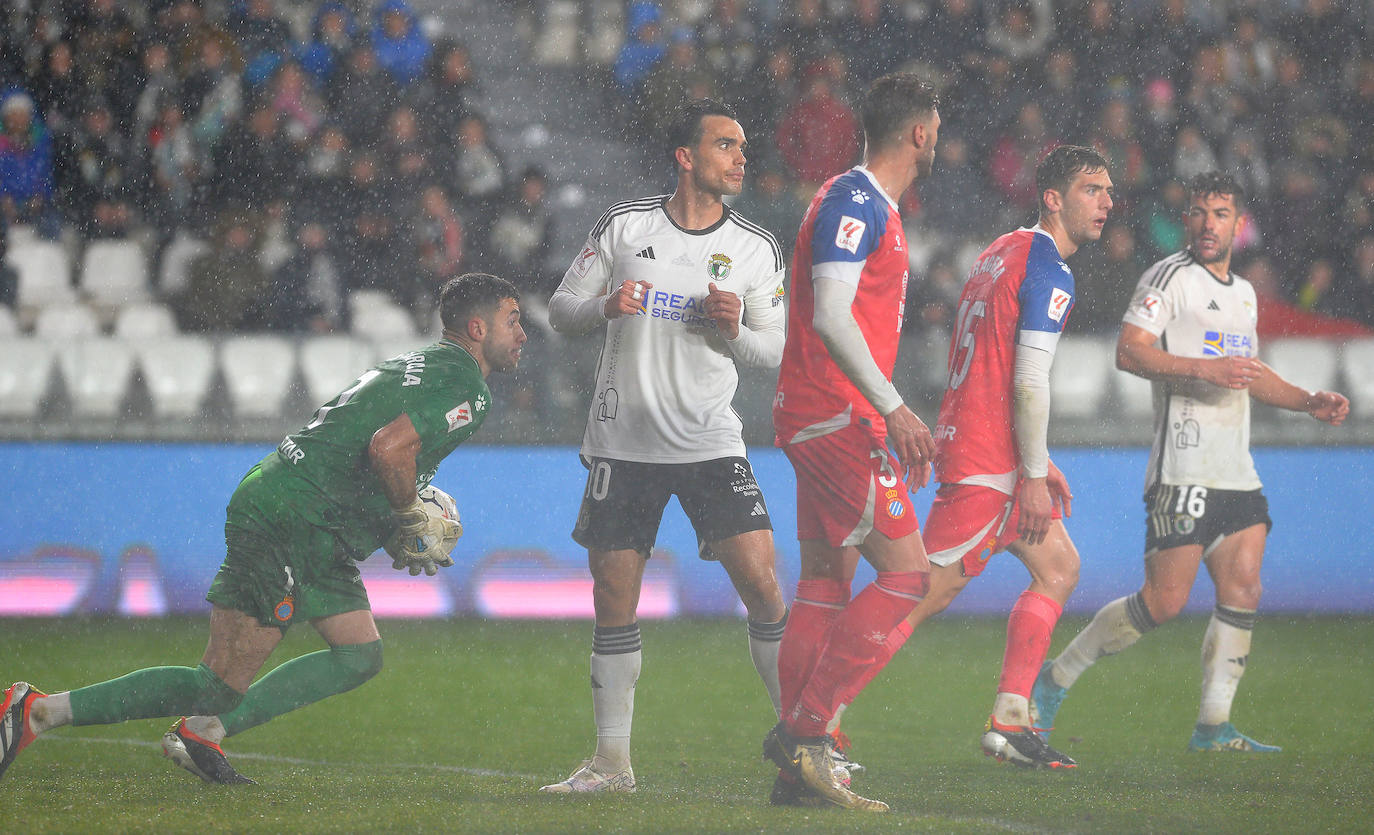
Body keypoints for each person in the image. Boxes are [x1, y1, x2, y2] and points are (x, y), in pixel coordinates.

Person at [1, 273, 528, 784]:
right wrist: (409, 510)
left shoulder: (422, 363)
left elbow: (371, 451)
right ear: (477, 329)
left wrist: (391, 518)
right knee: (217, 683)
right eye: (513, 320)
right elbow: (388, 449)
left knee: (358, 655)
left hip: (305, 511)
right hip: (295, 515)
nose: (523, 334)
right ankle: (38, 711)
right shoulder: (466, 386)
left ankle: (202, 734)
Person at [1031, 172, 1349, 755]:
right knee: (1164, 602)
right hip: (1183, 467)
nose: (1208, 224)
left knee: (1244, 585)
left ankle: (1212, 725)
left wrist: (1307, 401)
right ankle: (1055, 678)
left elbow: (1247, 373)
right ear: (1188, 220)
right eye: (1199, 212)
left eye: (1221, 214)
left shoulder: (1245, 293)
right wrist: (1205, 369)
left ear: (1238, 223)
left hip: (1236, 470)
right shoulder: (1168, 278)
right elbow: (1129, 351)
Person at [826, 145, 1115, 774]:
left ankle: (1010, 722)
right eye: (1092, 189)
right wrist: (1029, 473)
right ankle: (820, 713)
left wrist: (1035, 461)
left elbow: (988, 360)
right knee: (915, 593)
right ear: (1054, 198)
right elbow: (1029, 381)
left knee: (1059, 567)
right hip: (992, 463)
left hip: (986, 447)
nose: (1107, 203)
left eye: (1108, 191)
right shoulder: (1051, 271)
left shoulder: (1001, 250)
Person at [540, 98, 787, 795]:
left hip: (711, 439)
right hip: (625, 442)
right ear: (686, 156)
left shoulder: (754, 246)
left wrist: (737, 329)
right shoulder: (625, 227)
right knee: (614, 594)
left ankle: (805, 741)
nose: (740, 157)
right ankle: (612, 764)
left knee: (763, 584)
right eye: (725, 145)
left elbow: (777, 347)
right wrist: (604, 306)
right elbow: (561, 310)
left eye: (742, 146)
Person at [763, 72, 942, 813]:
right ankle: (807, 733)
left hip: (821, 414)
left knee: (823, 584)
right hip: (837, 417)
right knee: (910, 576)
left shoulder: (864, 203)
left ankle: (798, 775)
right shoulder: (856, 201)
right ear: (921, 133)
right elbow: (833, 316)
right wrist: (894, 408)